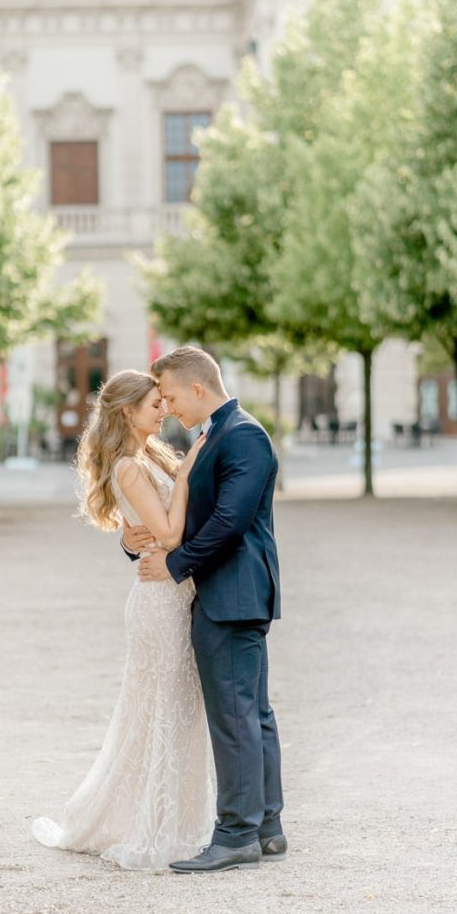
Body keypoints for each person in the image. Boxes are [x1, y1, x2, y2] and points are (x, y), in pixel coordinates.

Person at [31, 370, 213, 870]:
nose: (164, 409)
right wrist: (192, 466)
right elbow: (172, 533)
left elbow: (161, 524)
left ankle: (169, 819)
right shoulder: (129, 466)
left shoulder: (151, 455)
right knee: (158, 710)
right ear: (127, 412)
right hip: (158, 603)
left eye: (163, 401)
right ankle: (154, 827)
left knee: (169, 710)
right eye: (154, 404)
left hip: (173, 593)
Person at [130, 346, 285, 874]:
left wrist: (175, 567)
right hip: (229, 593)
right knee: (252, 712)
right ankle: (265, 826)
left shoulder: (242, 434)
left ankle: (237, 832)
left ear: (198, 388)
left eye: (170, 395)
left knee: (235, 714)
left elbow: (228, 522)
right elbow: (188, 516)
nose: (167, 407)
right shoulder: (214, 436)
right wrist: (140, 544)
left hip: (233, 593)